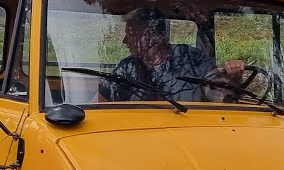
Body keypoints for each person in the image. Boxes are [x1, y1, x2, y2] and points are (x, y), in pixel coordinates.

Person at [97, 7, 247, 103]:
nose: (125, 41)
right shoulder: (127, 67)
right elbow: (100, 103)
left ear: (148, 35)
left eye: (130, 34)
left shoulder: (191, 58)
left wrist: (235, 78)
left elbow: (218, 93)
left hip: (191, 129)